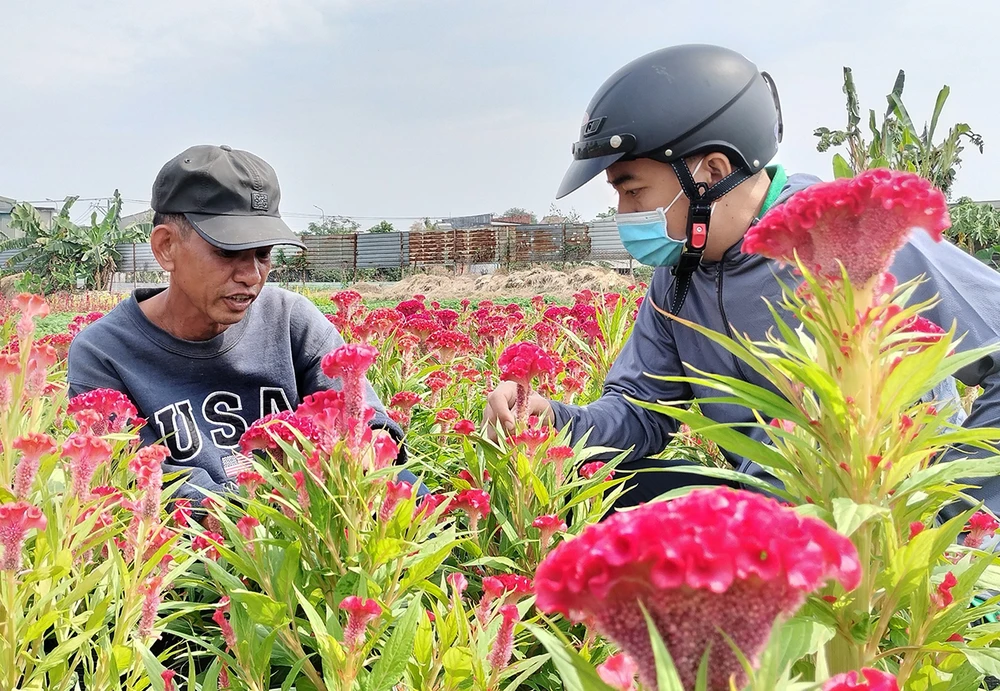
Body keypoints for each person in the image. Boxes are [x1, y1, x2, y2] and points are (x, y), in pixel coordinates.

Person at [484, 44, 1000, 515]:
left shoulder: (851, 233)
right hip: (778, 507)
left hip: (882, 514)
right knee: (595, 490)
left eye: (633, 190)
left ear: (711, 170)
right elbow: (638, 413)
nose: (622, 212)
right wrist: (549, 416)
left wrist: (948, 512)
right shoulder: (678, 280)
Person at [68, 144, 419, 504]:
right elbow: (136, 476)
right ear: (166, 247)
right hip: (194, 542)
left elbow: (367, 422)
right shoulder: (104, 353)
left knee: (406, 488)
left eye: (263, 254)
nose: (251, 275)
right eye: (227, 252)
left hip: (312, 518)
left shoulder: (291, 319)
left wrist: (367, 449)